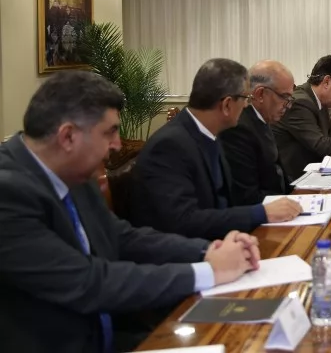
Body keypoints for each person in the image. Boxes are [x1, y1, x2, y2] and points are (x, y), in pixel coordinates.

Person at [0, 71, 259, 353]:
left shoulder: (71, 169)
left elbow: (121, 236)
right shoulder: (8, 194)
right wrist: (209, 272)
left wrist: (209, 250)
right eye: (110, 132)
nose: (118, 144)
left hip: (113, 335)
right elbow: (89, 283)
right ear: (68, 136)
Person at [131, 59, 302, 240]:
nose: (246, 105)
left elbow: (223, 202)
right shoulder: (169, 146)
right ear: (227, 105)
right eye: (245, 99)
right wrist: (260, 213)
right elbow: (184, 221)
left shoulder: (209, 134)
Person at [219, 60, 295, 205]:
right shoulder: (238, 128)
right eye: (285, 97)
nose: (288, 105)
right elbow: (247, 196)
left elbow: (276, 173)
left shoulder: (261, 117)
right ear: (260, 94)